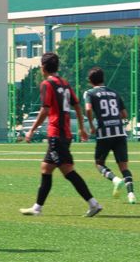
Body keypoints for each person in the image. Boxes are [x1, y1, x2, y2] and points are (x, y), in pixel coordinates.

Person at [19, 52, 102, 218]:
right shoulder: (65, 84)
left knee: (67, 170)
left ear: (43, 67)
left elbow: (46, 109)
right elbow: (77, 105)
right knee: (46, 168)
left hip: (56, 133)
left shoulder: (47, 84)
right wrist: (81, 128)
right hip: (65, 134)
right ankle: (37, 207)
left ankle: (93, 203)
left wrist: (31, 130)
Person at [84, 67, 136, 204]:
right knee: (124, 167)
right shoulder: (114, 93)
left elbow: (88, 109)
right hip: (120, 132)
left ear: (90, 81)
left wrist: (91, 124)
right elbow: (125, 114)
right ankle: (131, 195)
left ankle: (115, 179)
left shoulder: (89, 93)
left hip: (104, 134)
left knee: (99, 164)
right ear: (103, 78)